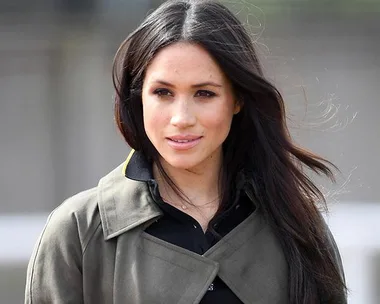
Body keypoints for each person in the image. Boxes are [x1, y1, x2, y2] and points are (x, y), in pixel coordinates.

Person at [25, 0, 347, 303]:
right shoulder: (77, 234)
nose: (181, 118)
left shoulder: (298, 229)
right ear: (139, 99)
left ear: (237, 100)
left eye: (204, 93)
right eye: (163, 92)